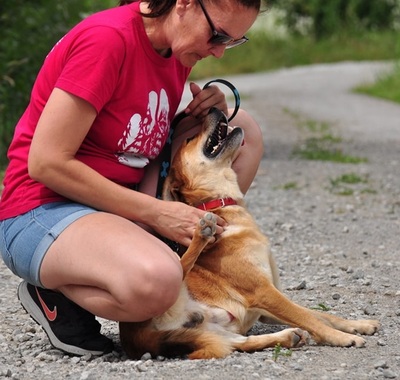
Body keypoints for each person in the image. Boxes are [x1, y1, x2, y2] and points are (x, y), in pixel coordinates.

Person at [0, 0, 263, 356]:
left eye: (232, 41)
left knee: (241, 127)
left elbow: (140, 144)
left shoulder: (175, 49)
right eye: (216, 35)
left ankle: (186, 277)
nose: (217, 52)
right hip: (43, 209)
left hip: (116, 207)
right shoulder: (107, 41)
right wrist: (157, 213)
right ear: (184, 3)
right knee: (156, 283)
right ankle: (56, 291)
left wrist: (197, 115)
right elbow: (46, 163)